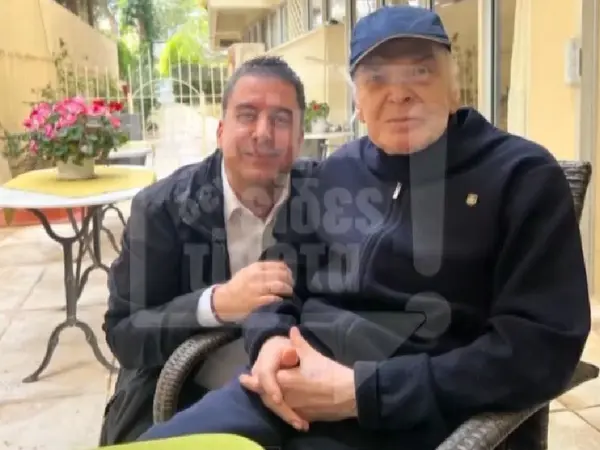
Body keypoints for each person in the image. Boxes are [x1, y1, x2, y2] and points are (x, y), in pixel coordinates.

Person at [136, 5, 591, 450]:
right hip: (283, 389)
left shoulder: (522, 178)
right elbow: (278, 277)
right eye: (376, 79)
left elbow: (540, 348)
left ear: (454, 87)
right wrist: (270, 342)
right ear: (358, 101)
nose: (399, 94)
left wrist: (361, 392)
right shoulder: (337, 171)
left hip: (414, 416)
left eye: (420, 72)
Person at [98, 56, 316, 445]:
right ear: (220, 130)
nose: (263, 133)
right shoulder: (162, 208)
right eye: (247, 115)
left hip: (302, 394)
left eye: (281, 119)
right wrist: (215, 304)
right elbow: (125, 334)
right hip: (190, 394)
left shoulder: (325, 195)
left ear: (300, 139)